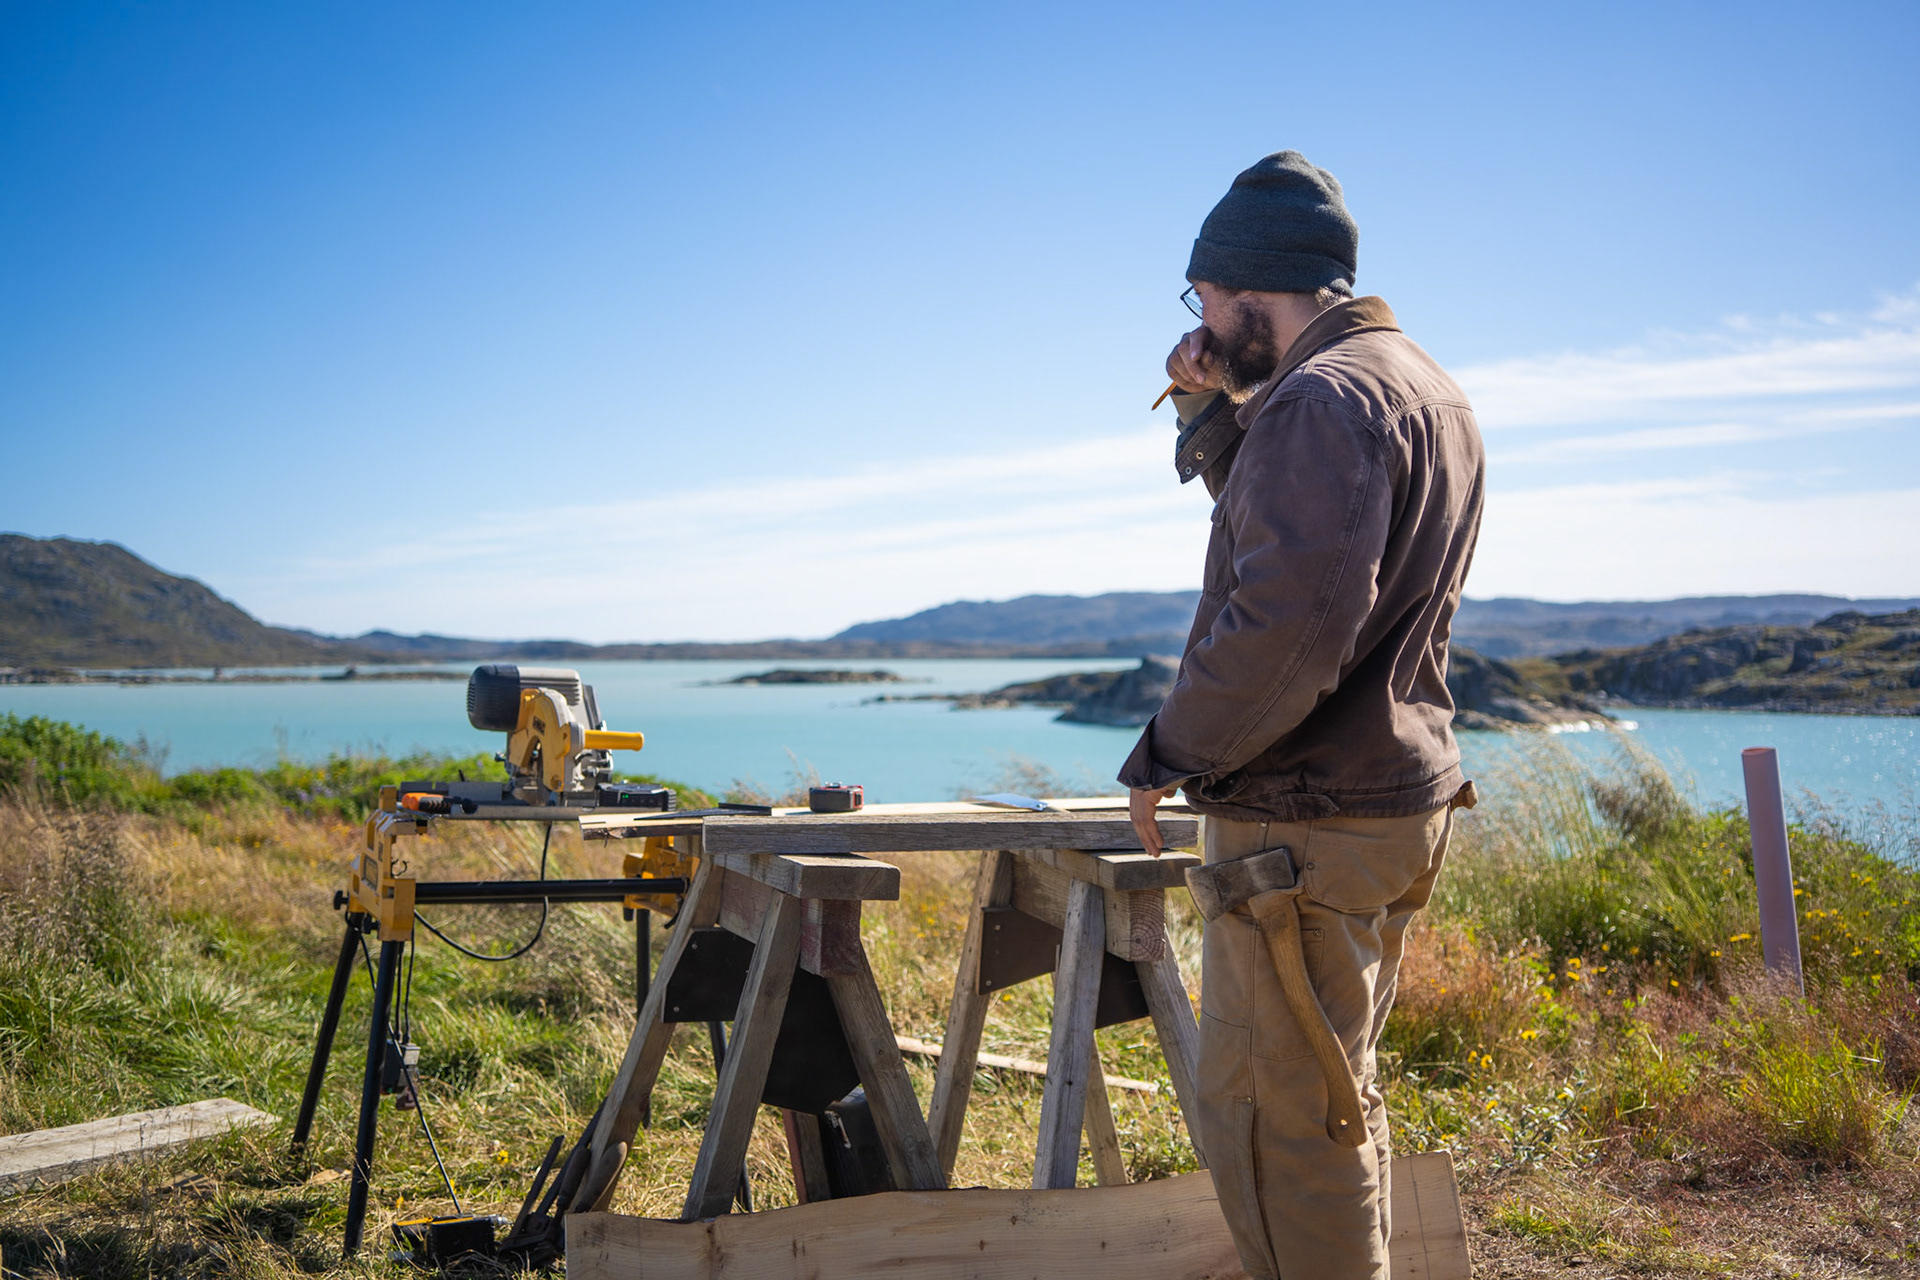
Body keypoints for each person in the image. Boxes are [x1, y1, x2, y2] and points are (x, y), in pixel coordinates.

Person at [1120, 151, 1485, 1280]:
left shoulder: (1322, 402)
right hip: (1384, 805)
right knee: (1333, 1095)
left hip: (1305, 825)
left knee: (1279, 1129)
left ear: (1250, 287)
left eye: (1205, 299)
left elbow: (1290, 628)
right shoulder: (1417, 384)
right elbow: (1306, 543)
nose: (1199, 324)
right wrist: (1211, 408)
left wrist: (1167, 752)